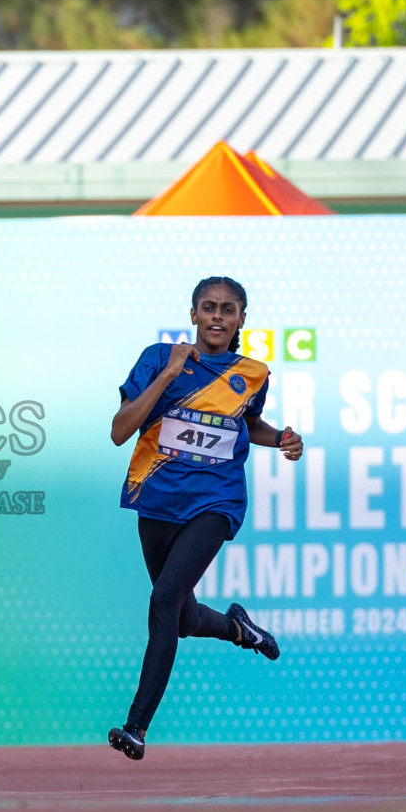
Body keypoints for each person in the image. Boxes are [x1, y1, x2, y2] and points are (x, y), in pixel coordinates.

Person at [106, 277, 304, 761]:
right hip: (155, 500)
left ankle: (136, 728)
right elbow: (119, 430)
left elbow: (247, 424)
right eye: (209, 307)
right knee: (184, 618)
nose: (218, 316)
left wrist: (280, 438)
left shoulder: (253, 374)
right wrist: (169, 375)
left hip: (215, 503)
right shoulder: (159, 358)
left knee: (165, 599)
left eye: (229, 309)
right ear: (193, 314)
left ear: (240, 320)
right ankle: (240, 629)